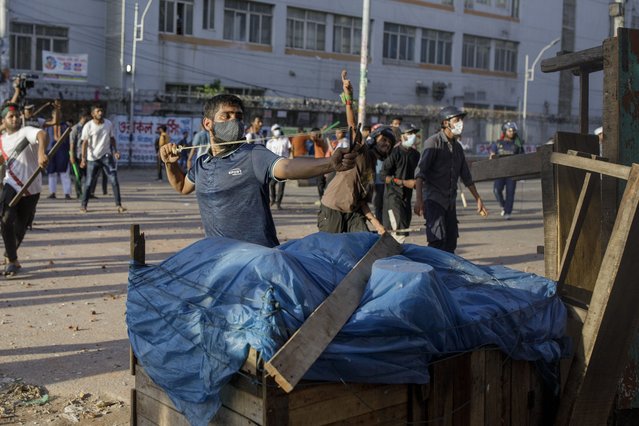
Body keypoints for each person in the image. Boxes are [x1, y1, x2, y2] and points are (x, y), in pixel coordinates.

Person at [159, 93, 357, 248]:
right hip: (218, 257)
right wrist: (171, 164)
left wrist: (330, 163)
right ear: (208, 123)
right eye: (225, 116)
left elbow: (287, 167)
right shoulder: (202, 163)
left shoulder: (253, 154)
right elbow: (182, 187)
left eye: (238, 116)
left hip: (258, 258)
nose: (234, 121)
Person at [318, 73, 391, 235]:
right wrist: (349, 98)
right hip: (333, 208)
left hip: (353, 212)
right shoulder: (361, 150)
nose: (386, 144)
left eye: (389, 143)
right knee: (331, 250)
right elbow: (352, 125)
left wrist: (377, 225)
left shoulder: (371, 170)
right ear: (373, 139)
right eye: (383, 139)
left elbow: (362, 202)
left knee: (363, 243)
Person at [414, 106, 488, 253]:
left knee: (450, 243)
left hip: (450, 203)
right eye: (457, 120)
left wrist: (478, 198)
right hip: (434, 200)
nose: (461, 123)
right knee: (437, 242)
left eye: (461, 120)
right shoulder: (433, 143)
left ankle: (447, 275)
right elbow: (420, 173)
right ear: (445, 123)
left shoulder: (458, 148)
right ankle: (435, 273)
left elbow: (466, 177)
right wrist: (419, 200)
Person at [0, 102, 48, 276]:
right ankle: (12, 260)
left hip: (32, 188)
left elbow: (42, 134)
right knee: (5, 220)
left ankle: (10, 256)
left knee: (21, 227)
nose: (14, 119)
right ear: (3, 121)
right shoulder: (1, 140)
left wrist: (41, 152)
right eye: (10, 117)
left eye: (16, 115)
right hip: (11, 184)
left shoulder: (26, 131)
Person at [79, 105, 126, 214]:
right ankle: (83, 206)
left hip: (106, 156)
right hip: (92, 158)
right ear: (93, 114)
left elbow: (112, 138)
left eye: (101, 110)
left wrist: (115, 151)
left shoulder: (108, 124)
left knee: (114, 180)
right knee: (89, 182)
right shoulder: (88, 126)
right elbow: (84, 143)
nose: (100, 113)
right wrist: (83, 158)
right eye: (98, 111)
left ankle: (119, 205)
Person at [381, 123, 421, 242]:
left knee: (404, 230)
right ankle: (392, 258)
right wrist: (403, 182)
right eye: (409, 133)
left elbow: (419, 176)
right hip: (393, 198)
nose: (412, 136)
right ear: (401, 136)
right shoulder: (394, 153)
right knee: (397, 233)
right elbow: (383, 176)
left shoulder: (416, 155)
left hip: (406, 199)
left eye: (414, 133)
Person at [489, 121, 524, 220]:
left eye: (513, 131)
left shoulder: (518, 145)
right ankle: (504, 206)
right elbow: (492, 154)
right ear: (505, 131)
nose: (511, 132)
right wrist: (492, 156)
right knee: (496, 190)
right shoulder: (498, 143)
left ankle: (508, 212)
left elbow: (523, 158)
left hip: (512, 173)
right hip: (500, 172)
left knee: (510, 192)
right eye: (509, 130)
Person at [266, 124, 292, 209]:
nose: (277, 130)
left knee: (281, 186)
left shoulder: (285, 140)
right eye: (275, 129)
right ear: (272, 131)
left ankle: (278, 203)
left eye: (278, 129)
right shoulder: (270, 142)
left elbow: (290, 150)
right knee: (272, 184)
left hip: (284, 165)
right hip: (274, 166)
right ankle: (272, 199)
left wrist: (290, 160)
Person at [45, 120, 72, 200]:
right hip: (50, 151)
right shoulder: (48, 126)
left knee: (65, 173)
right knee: (51, 173)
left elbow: (70, 140)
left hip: (63, 151)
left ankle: (67, 193)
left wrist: (71, 152)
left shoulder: (65, 126)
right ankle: (52, 192)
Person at [69, 111, 90, 198]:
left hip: (87, 155)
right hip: (77, 156)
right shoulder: (75, 129)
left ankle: (87, 193)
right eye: (86, 118)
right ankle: (79, 193)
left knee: (88, 176)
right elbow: (72, 144)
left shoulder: (88, 127)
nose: (87, 120)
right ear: (82, 117)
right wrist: (72, 156)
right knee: (78, 176)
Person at [310, 127, 328, 200]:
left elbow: (314, 138)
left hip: (321, 164)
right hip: (321, 163)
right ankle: (322, 199)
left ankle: (322, 199)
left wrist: (318, 132)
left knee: (320, 183)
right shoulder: (320, 140)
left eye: (313, 134)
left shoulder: (319, 141)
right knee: (321, 183)